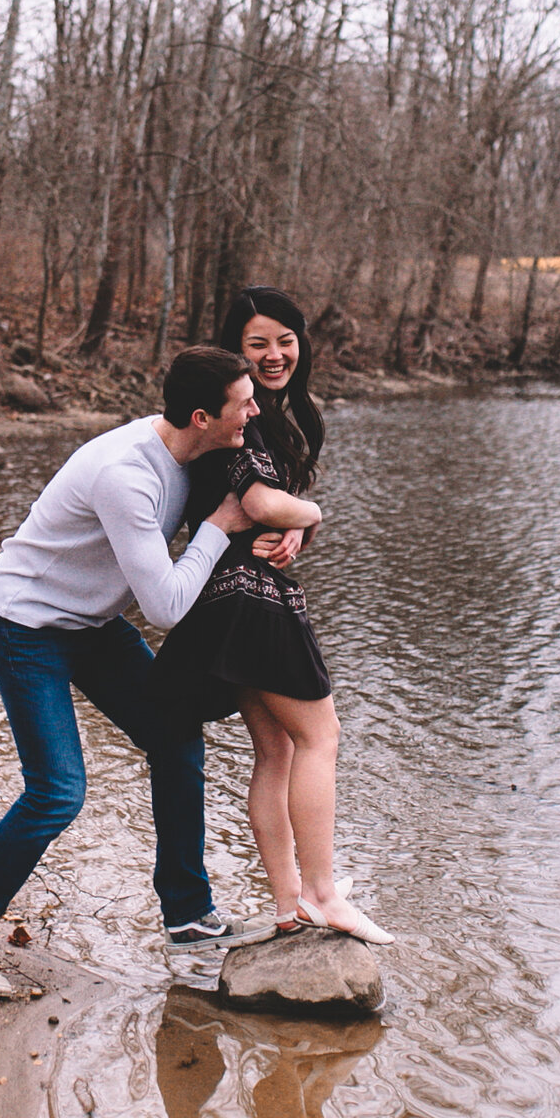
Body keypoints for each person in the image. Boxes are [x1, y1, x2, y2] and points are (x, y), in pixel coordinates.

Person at [0, 346, 277, 999]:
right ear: (202, 415)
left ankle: (189, 917)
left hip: (88, 624)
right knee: (58, 788)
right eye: (243, 402)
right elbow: (167, 606)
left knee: (176, 737)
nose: (254, 411)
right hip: (23, 621)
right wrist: (219, 524)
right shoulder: (127, 473)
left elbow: (271, 479)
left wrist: (287, 530)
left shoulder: (193, 447)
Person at [152, 287, 393, 945]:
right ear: (237, 350)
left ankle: (290, 903)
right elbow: (257, 498)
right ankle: (320, 893)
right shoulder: (244, 417)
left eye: (285, 339)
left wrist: (296, 534)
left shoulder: (262, 413)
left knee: (279, 747)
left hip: (227, 597)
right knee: (321, 736)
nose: (275, 353)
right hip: (251, 603)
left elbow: (260, 508)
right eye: (258, 343)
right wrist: (310, 515)